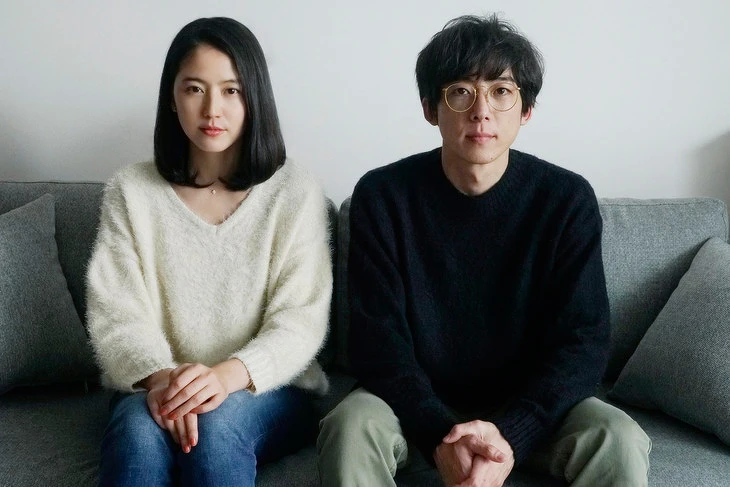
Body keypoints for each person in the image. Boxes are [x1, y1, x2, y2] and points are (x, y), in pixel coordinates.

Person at [317, 14, 651, 487]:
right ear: (430, 108)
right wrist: (440, 436)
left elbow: (584, 344)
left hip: (532, 409)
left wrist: (510, 437)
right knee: (350, 428)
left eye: (501, 91)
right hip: (412, 407)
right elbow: (377, 344)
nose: (481, 112)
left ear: (526, 109)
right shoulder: (383, 196)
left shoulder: (566, 200)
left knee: (618, 437)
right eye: (460, 92)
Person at [86, 17, 332, 486]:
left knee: (215, 429)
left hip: (266, 389)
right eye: (194, 89)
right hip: (156, 385)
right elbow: (116, 314)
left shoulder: (294, 192)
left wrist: (223, 377)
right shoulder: (130, 191)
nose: (212, 109)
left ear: (254, 98)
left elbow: (300, 320)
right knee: (137, 433)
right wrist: (165, 379)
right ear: (172, 97)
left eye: (231, 91)